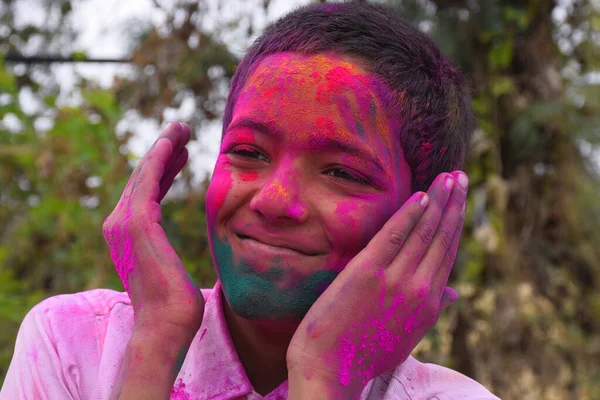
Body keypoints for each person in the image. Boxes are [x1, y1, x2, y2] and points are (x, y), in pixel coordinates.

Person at [1, 2, 501, 399]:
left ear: (428, 223)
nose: (274, 200)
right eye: (248, 152)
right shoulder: (75, 345)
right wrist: (155, 346)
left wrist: (325, 376)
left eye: (342, 172)